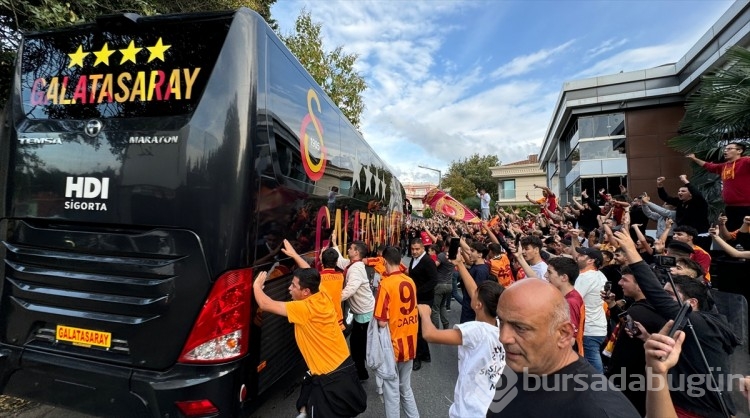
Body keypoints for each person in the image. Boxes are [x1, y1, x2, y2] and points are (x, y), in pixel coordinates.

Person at [612, 230, 739, 418]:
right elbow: (689, 353)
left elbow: (656, 295)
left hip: (697, 411)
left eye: (671, 295)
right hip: (681, 403)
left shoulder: (701, 324)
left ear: (691, 303)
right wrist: (647, 337)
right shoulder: (691, 325)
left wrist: (631, 251)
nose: (667, 301)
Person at [487, 279, 640, 417]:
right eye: (501, 321)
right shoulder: (521, 364)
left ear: (564, 334)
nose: (503, 338)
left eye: (520, 328)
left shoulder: (599, 410)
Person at [253, 268, 366, 418]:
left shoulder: (303, 309)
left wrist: (256, 286)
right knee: (305, 398)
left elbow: (265, 304)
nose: (289, 288)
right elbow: (312, 274)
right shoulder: (322, 295)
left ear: (305, 291)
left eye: (293, 285)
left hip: (331, 378)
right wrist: (294, 254)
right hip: (344, 365)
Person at [417, 248, 504, 418]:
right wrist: (460, 264)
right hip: (490, 403)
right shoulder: (502, 325)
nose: (472, 294)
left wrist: (425, 314)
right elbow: (475, 291)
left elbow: (430, 334)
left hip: (470, 409)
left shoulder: (476, 331)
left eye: (475, 296)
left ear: (478, 305)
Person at [602, 266, 667, 416]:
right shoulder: (652, 307)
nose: (619, 283)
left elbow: (624, 354)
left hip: (629, 382)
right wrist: (612, 305)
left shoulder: (638, 312)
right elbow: (626, 321)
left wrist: (611, 378)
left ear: (641, 285)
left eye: (625, 279)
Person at [374, 246, 420, 418]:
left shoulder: (385, 284)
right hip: (410, 341)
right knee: (405, 387)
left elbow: (381, 321)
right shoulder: (410, 281)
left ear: (385, 261)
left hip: (393, 345)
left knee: (391, 391)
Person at [332, 236, 375, 381]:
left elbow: (349, 290)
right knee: (358, 345)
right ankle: (361, 372)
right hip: (361, 314)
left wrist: (329, 299)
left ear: (356, 253)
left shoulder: (356, 270)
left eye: (350, 248)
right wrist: (334, 244)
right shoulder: (353, 264)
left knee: (357, 347)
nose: (348, 249)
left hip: (365, 316)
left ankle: (362, 374)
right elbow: (341, 261)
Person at [688, 143, 750, 230]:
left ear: (739, 151)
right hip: (730, 207)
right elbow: (710, 166)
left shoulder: (746, 161)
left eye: (729, 149)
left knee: (745, 235)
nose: (725, 150)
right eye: (725, 149)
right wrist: (694, 159)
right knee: (731, 235)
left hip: (746, 207)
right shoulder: (724, 166)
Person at [573, 246, 608, 373]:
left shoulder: (586, 277)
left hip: (589, 328)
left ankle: (600, 389)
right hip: (598, 326)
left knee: (593, 367)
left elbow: (574, 299)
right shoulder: (600, 275)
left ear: (590, 261)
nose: (578, 257)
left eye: (582, 256)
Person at [545, 257, 585, 355]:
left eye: (549, 272)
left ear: (564, 277)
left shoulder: (571, 302)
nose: (545, 276)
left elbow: (570, 340)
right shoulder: (566, 297)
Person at [408, 238, 438, 370]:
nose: (414, 251)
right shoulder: (414, 259)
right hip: (417, 298)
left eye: (417, 249)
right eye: (412, 249)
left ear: (423, 249)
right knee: (419, 327)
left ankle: (417, 357)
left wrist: (417, 292)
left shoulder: (427, 261)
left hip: (424, 300)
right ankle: (425, 354)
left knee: (418, 328)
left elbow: (433, 281)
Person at [432, 244, 454, 330]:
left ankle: (435, 329)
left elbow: (435, 265)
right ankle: (446, 325)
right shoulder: (453, 256)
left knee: (435, 308)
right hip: (449, 284)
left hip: (440, 284)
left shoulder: (442, 255)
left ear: (445, 245)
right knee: (443, 306)